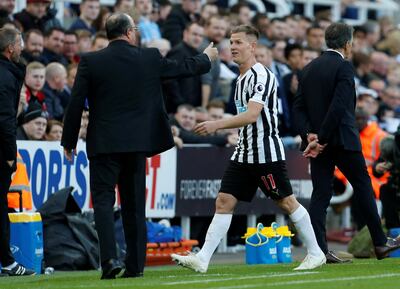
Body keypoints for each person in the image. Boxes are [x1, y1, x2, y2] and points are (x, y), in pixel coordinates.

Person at [61, 13, 216, 280]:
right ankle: (135, 265)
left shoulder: (91, 62)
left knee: (102, 202)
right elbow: (182, 67)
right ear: (131, 32)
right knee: (134, 206)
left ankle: (109, 259)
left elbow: (76, 103)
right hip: (136, 145)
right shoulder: (148, 57)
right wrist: (206, 58)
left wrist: (69, 140)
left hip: (104, 144)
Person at [171, 25, 326, 272]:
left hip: (265, 153)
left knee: (286, 202)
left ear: (252, 47)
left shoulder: (261, 75)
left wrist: (217, 124)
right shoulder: (240, 78)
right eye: (231, 42)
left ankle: (316, 253)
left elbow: (252, 115)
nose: (232, 47)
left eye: (238, 42)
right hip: (244, 152)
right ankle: (202, 259)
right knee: (223, 201)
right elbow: (245, 115)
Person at [292, 22, 400, 263]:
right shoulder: (343, 67)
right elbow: (339, 107)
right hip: (341, 140)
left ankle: (319, 250)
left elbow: (297, 108)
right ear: (347, 43)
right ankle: (380, 243)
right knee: (362, 186)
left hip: (318, 144)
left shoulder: (308, 68)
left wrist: (309, 135)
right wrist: (322, 138)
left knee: (321, 194)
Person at [0, 27, 35, 276]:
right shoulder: (5, 76)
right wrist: (10, 153)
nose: (23, 48)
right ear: (10, 48)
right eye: (20, 44)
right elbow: (4, 119)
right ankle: (8, 262)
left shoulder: (9, 73)